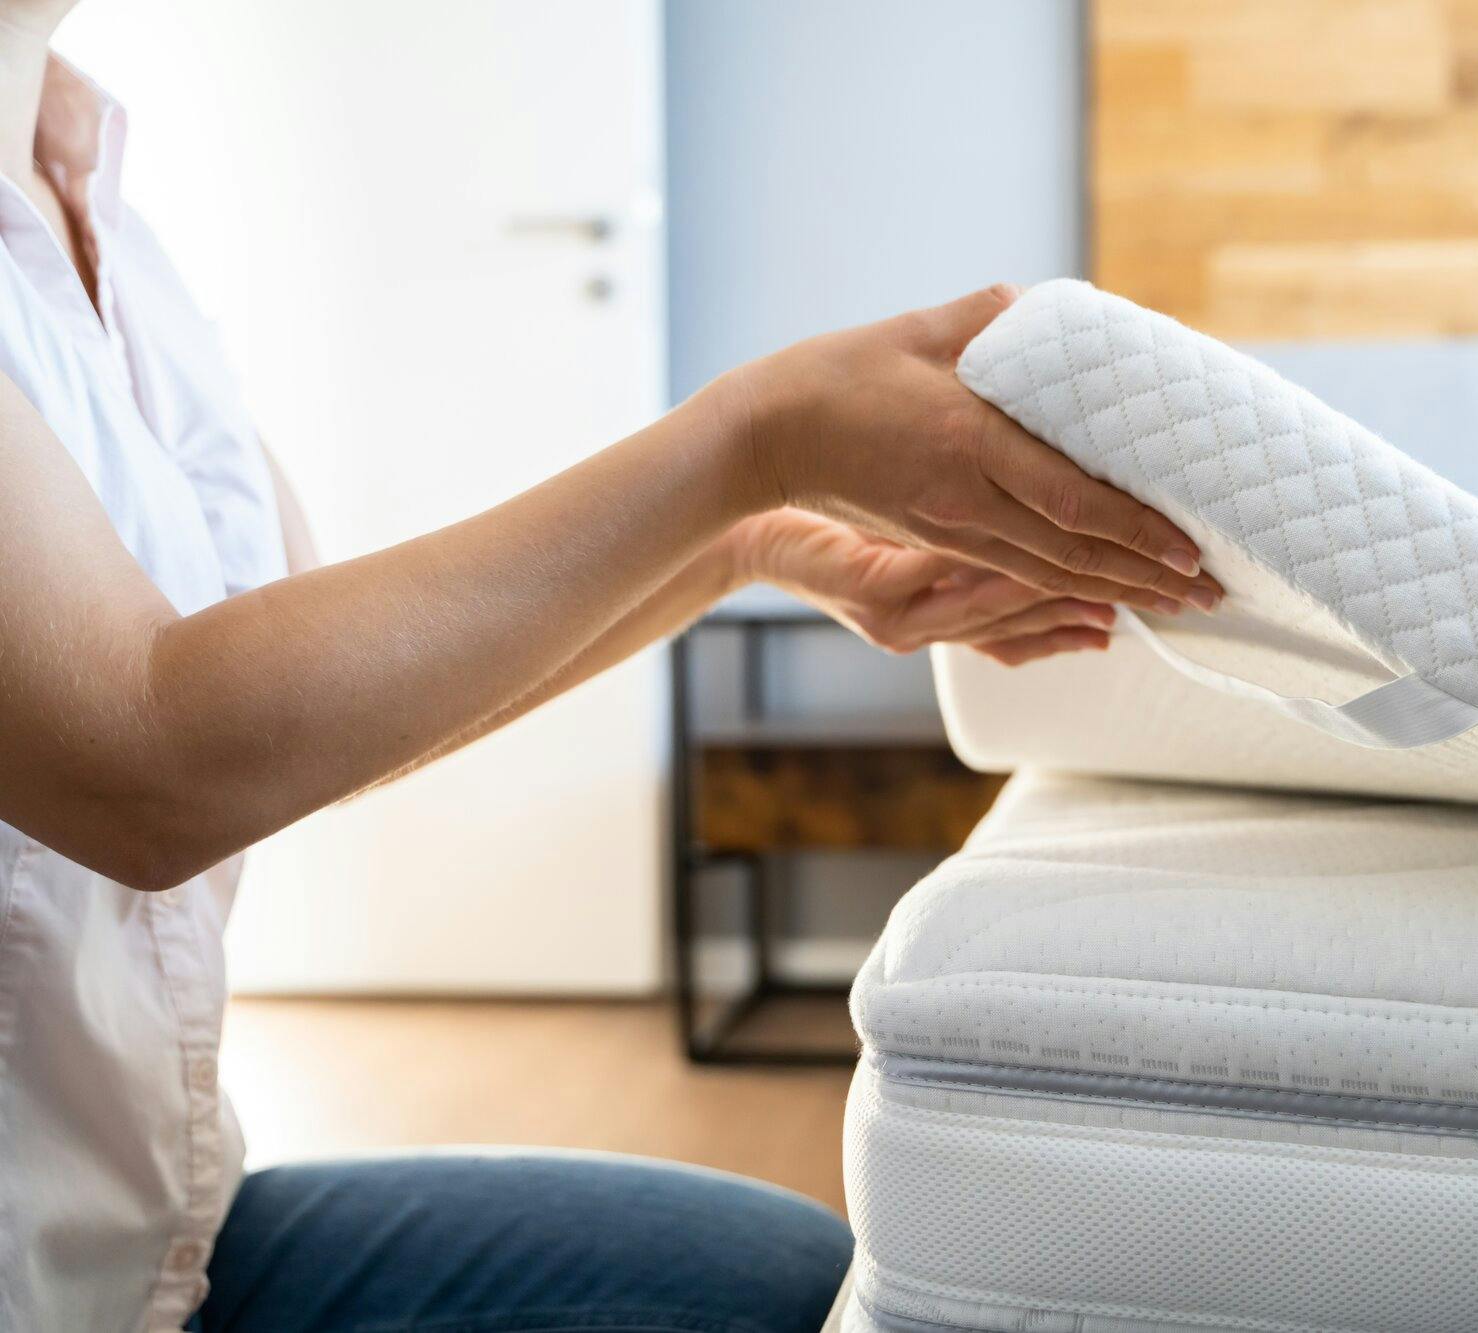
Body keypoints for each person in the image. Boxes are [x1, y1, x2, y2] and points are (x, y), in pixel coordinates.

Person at [0, 4, 1222, 1331]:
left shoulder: (87, 179)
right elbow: (158, 758)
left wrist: (747, 544)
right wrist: (754, 443)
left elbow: (291, 709)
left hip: (158, 1248)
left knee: (786, 1280)